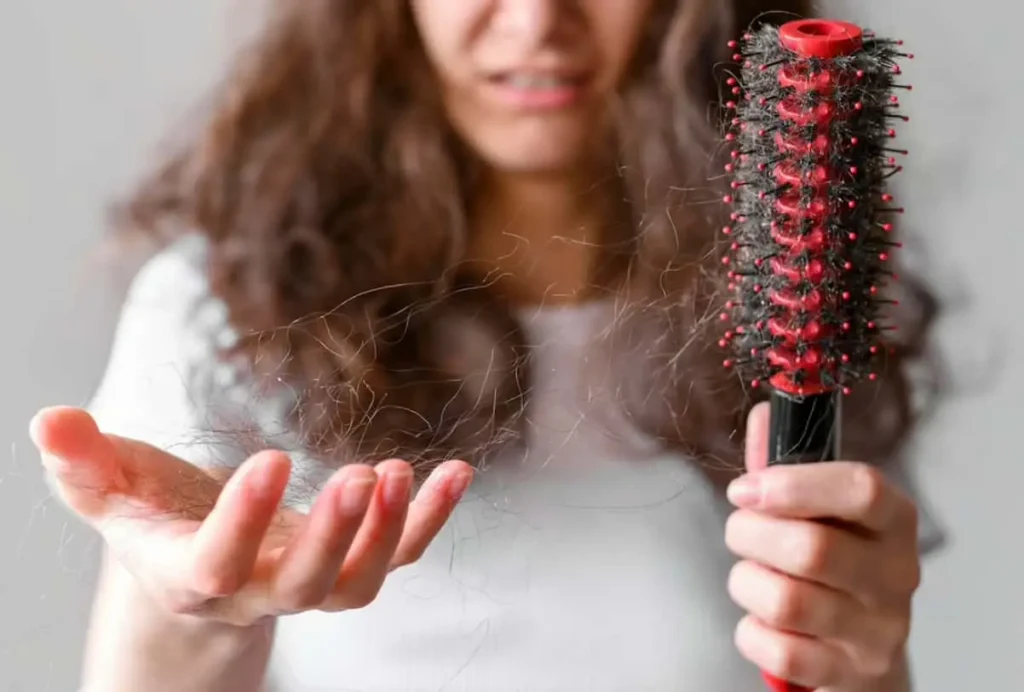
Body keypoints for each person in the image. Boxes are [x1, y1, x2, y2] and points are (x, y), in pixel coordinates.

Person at [30, 1, 941, 690]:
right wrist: (200, 607)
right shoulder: (222, 305)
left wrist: (862, 659)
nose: (538, 23)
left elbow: (846, 657)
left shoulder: (802, 299)